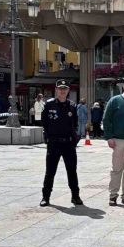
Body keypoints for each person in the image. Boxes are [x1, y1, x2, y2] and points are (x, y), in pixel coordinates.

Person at [40, 79, 83, 207]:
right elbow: (44, 123)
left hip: (68, 144)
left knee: (72, 171)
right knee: (50, 171)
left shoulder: (72, 106)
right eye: (60, 88)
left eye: (65, 89)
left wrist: (75, 139)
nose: (62, 91)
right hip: (54, 143)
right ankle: (45, 197)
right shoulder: (49, 105)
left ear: (68, 90)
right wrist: (48, 138)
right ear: (56, 90)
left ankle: (75, 196)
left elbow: (75, 123)